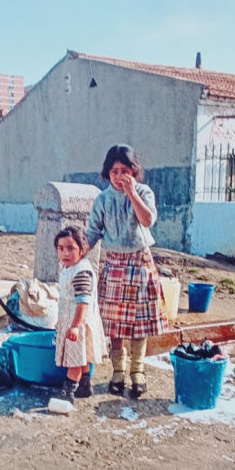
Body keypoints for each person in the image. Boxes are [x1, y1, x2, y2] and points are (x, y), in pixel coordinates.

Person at [84, 144, 168, 398]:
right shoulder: (102, 199)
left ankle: (137, 372)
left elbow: (147, 220)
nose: (119, 176)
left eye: (124, 171)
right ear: (107, 173)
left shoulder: (144, 192)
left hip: (140, 263)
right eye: (114, 172)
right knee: (115, 325)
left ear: (133, 171)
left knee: (139, 324)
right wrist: (76, 255)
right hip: (114, 265)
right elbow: (92, 232)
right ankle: (118, 371)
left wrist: (132, 193)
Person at [53, 225, 106, 399]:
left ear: (82, 250)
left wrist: (75, 326)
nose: (65, 253)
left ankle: (67, 393)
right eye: (61, 248)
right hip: (72, 321)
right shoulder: (69, 268)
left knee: (74, 361)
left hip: (78, 324)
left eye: (71, 249)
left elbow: (83, 302)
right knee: (81, 357)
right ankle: (84, 386)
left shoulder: (81, 272)